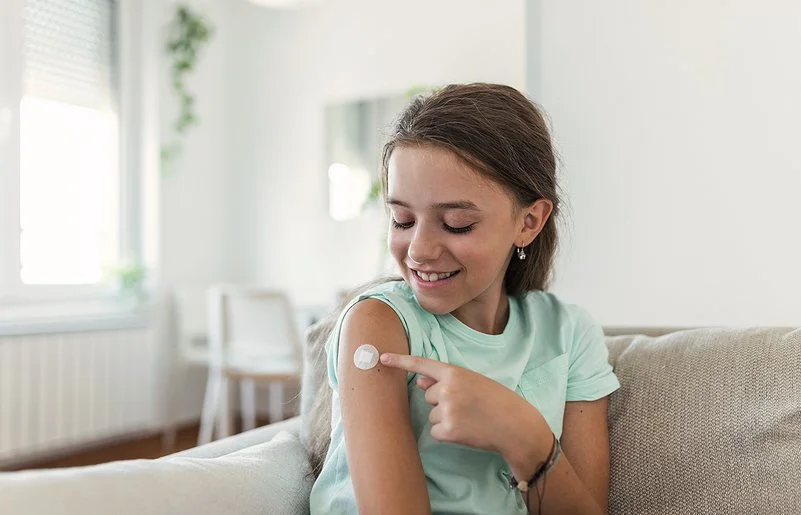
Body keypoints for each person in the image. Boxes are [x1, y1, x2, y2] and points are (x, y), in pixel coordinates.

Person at [308, 83, 620, 514]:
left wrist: (524, 436)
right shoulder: (379, 324)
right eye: (402, 219)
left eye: (456, 224)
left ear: (529, 222)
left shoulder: (569, 334)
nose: (417, 250)